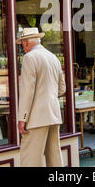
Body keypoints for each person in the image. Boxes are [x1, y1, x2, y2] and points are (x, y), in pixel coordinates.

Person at [17, 27, 66, 167]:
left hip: (36, 117)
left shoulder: (29, 58)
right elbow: (62, 88)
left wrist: (22, 119)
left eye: (22, 43)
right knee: (54, 157)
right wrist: (47, 96)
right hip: (54, 113)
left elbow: (28, 91)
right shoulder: (53, 57)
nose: (22, 47)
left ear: (26, 43)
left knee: (30, 160)